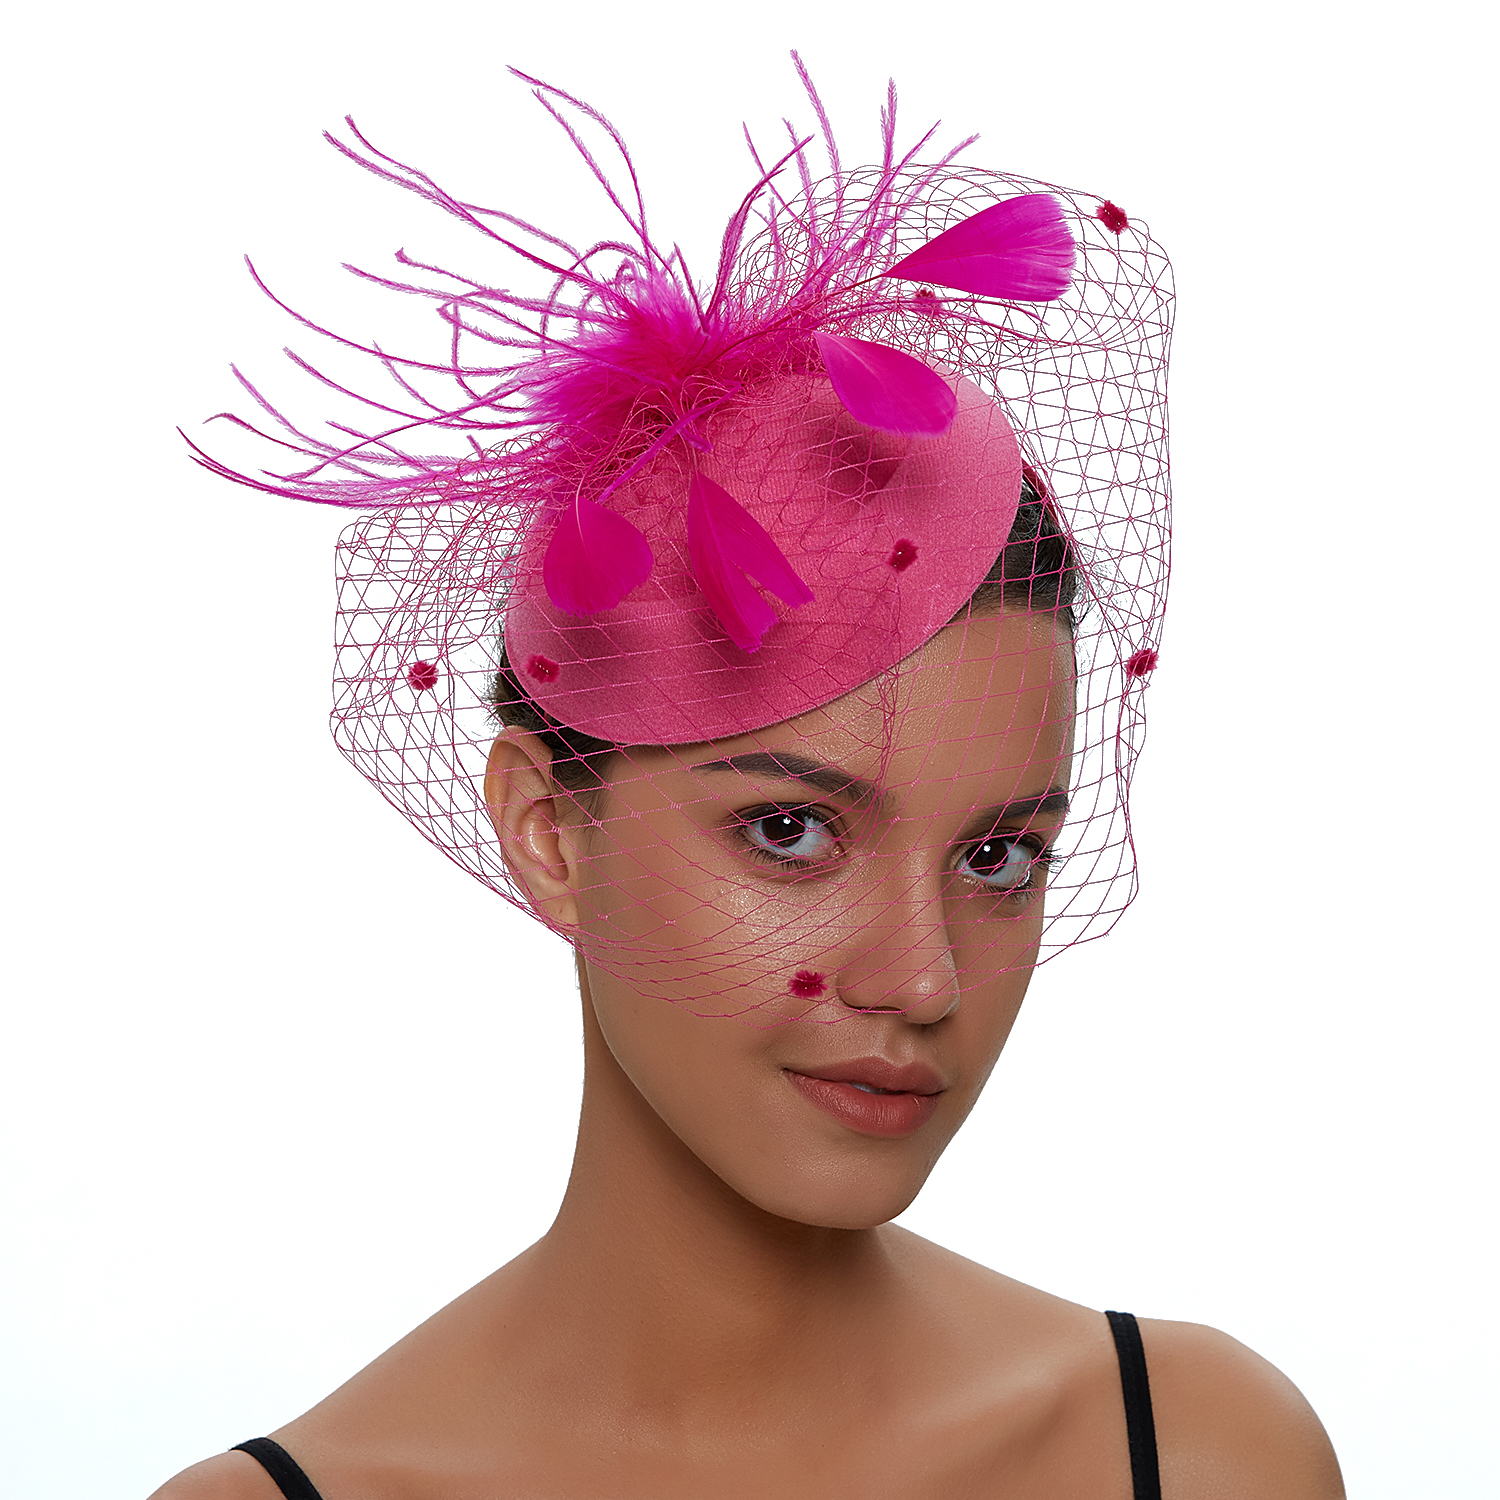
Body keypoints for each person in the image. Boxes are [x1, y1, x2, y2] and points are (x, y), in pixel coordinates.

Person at [154, 62, 1345, 1500]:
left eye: (998, 857)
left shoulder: (1199, 1452)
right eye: (791, 830)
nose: (922, 981)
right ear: (549, 832)